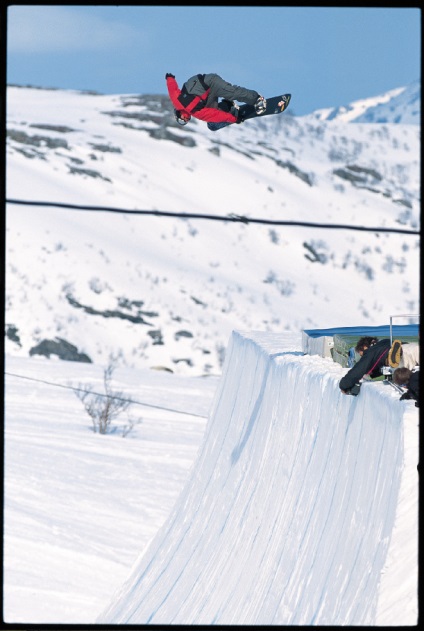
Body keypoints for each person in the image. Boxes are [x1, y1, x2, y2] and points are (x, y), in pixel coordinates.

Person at [165, 72, 266, 126]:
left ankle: (257, 99)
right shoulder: (178, 101)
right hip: (207, 91)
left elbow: (215, 116)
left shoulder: (195, 112)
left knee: (231, 92)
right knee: (212, 108)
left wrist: (234, 119)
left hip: (211, 82)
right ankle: (228, 105)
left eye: (183, 119)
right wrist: (170, 78)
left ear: (178, 114)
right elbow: (172, 89)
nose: (186, 119)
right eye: (185, 121)